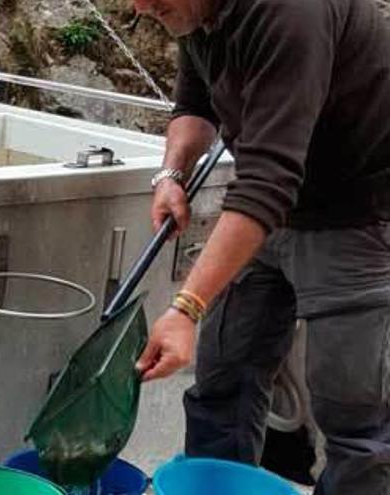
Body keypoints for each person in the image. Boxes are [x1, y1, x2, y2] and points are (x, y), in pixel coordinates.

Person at [130, 0, 390, 492]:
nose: (140, 6)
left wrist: (185, 308)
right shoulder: (193, 11)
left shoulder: (292, 11)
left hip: (356, 215)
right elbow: (194, 106)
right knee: (222, 385)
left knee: (357, 428)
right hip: (266, 210)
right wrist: (171, 173)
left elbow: (269, 180)